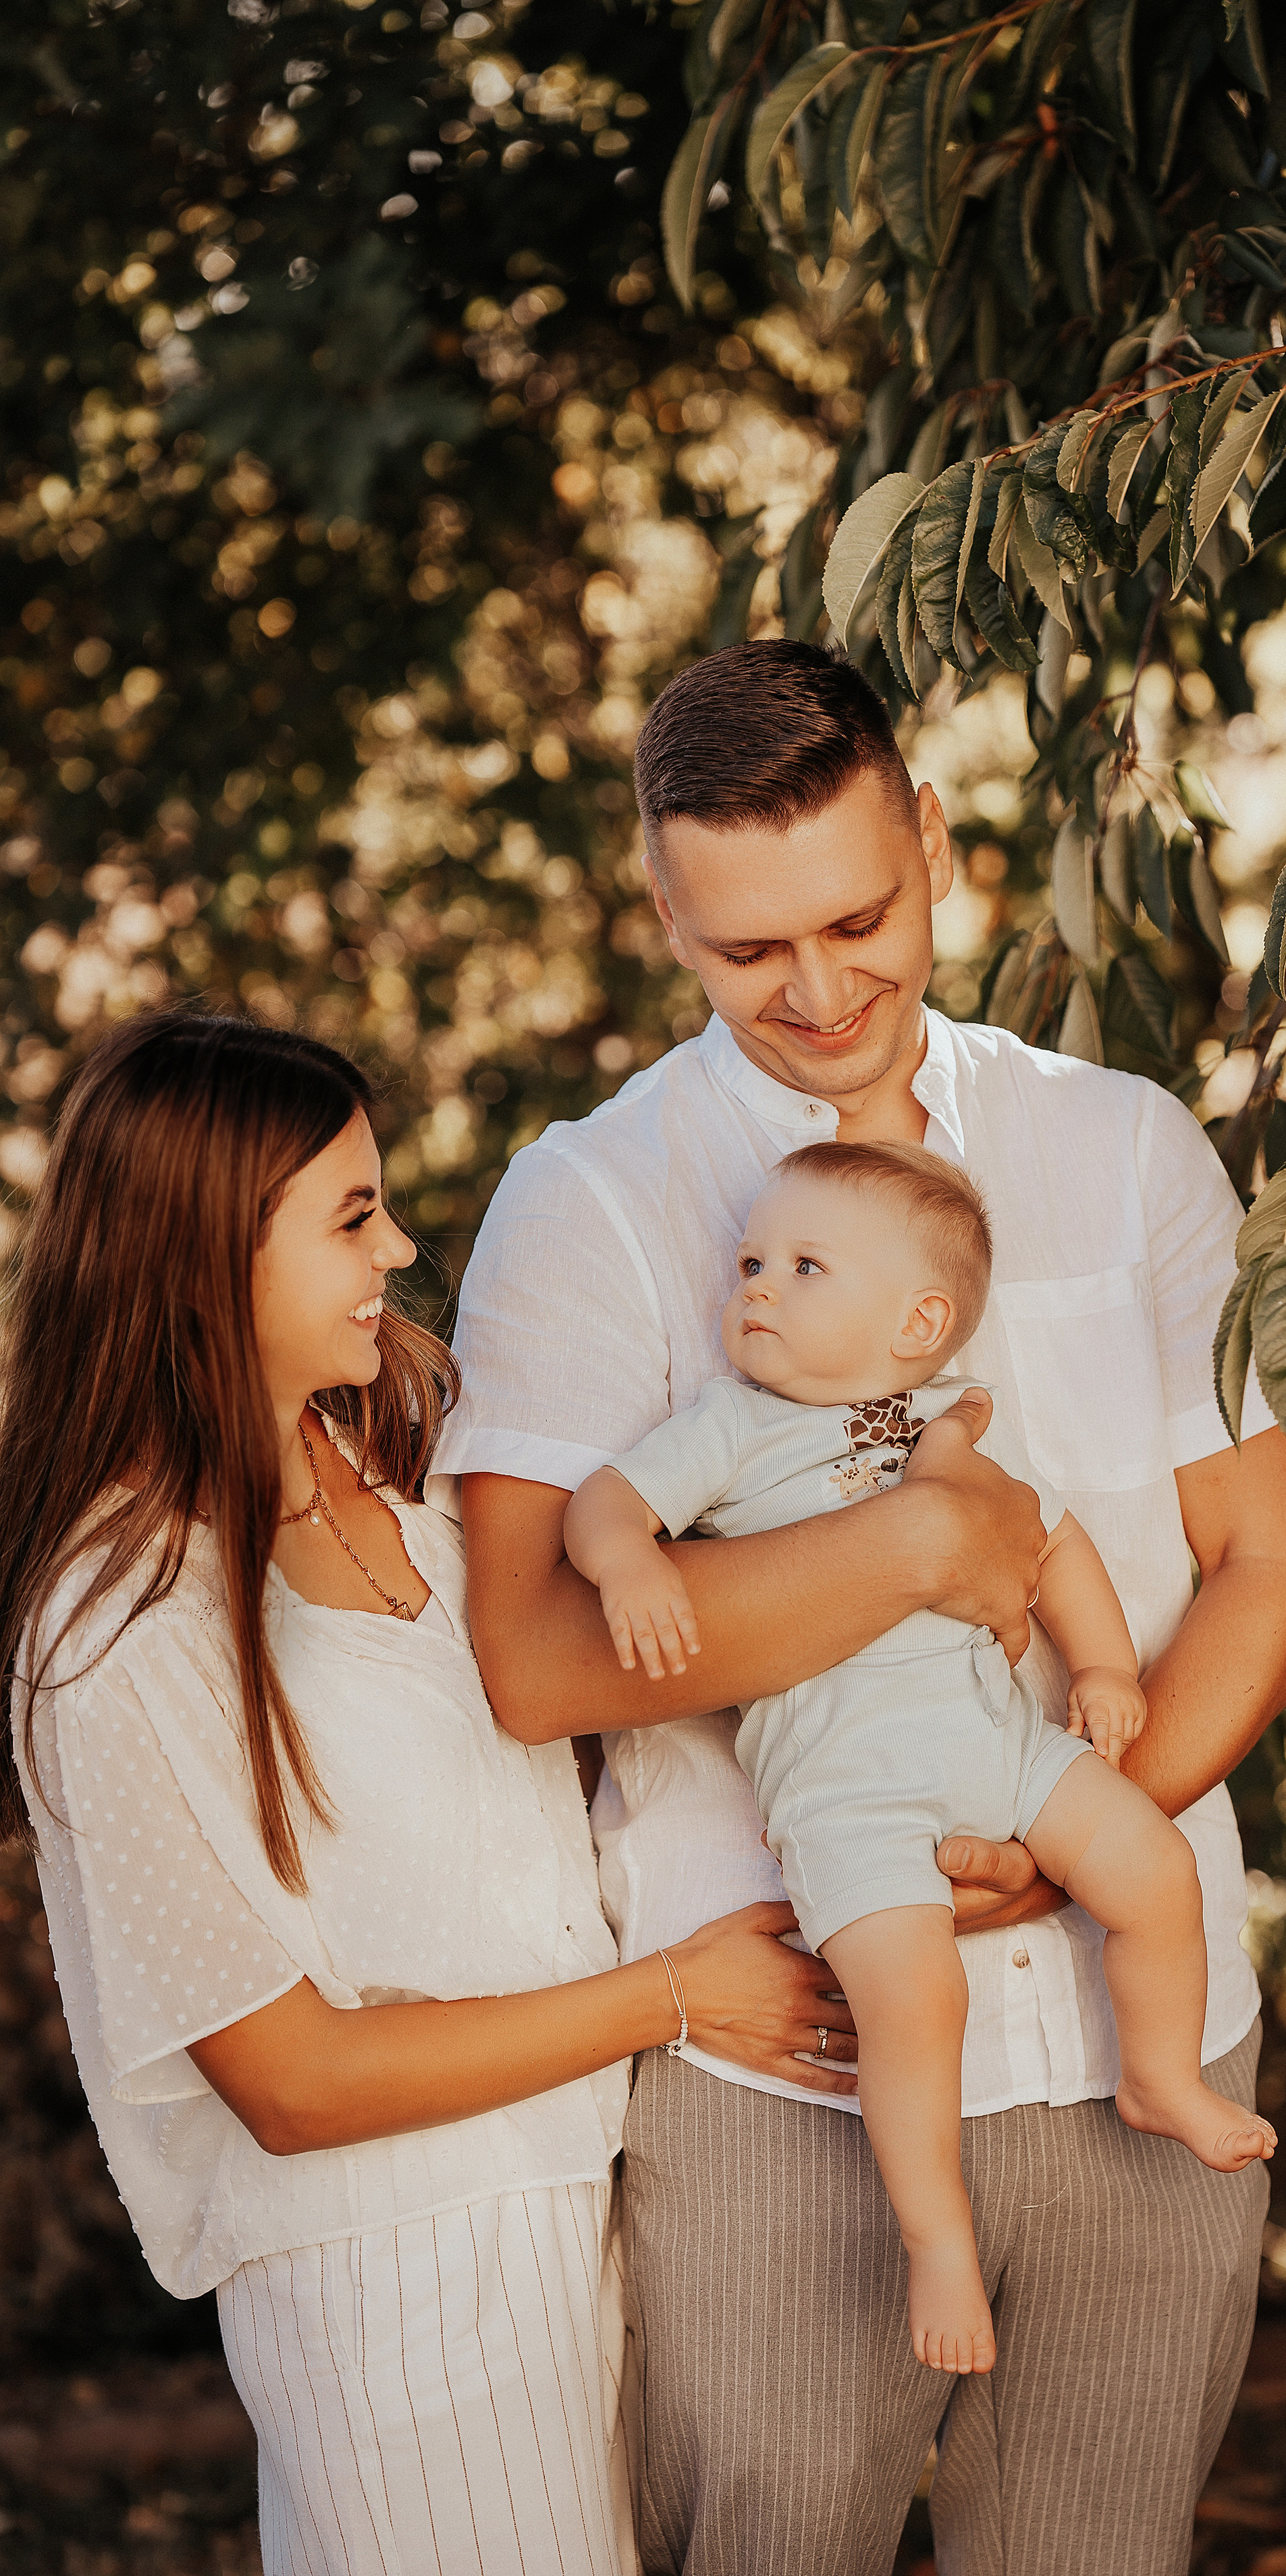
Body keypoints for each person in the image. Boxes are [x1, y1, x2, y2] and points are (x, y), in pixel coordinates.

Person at [441, 640, 1286, 2576]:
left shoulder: (1127, 1152)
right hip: (786, 2069)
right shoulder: (586, 1206)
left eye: (862, 917)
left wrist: (1058, 1850)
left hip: (1143, 2054)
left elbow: (1285, 1572)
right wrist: (924, 1556)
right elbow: (531, 1661)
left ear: (935, 841)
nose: (823, 992)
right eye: (749, 953)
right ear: (665, 915)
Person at [0, 1008, 858, 2576]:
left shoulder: (378, 1453)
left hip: (581, 2204)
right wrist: (672, 1996)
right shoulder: (116, 1624)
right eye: (349, 1216)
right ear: (206, 1253)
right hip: (396, 2288)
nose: (398, 1243)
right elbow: (291, 2080)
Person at [567, 1139, 1277, 2378]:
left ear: (921, 1322)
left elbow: (1050, 1544)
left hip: (1003, 1748)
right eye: (749, 1263)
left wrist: (1105, 1669)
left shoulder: (940, 1422)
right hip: (849, 1800)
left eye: (802, 1266)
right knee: (915, 2002)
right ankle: (937, 2240)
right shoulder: (733, 1426)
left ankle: (1161, 2074)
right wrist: (631, 1563)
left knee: (1157, 1872)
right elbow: (607, 1506)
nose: (758, 1289)